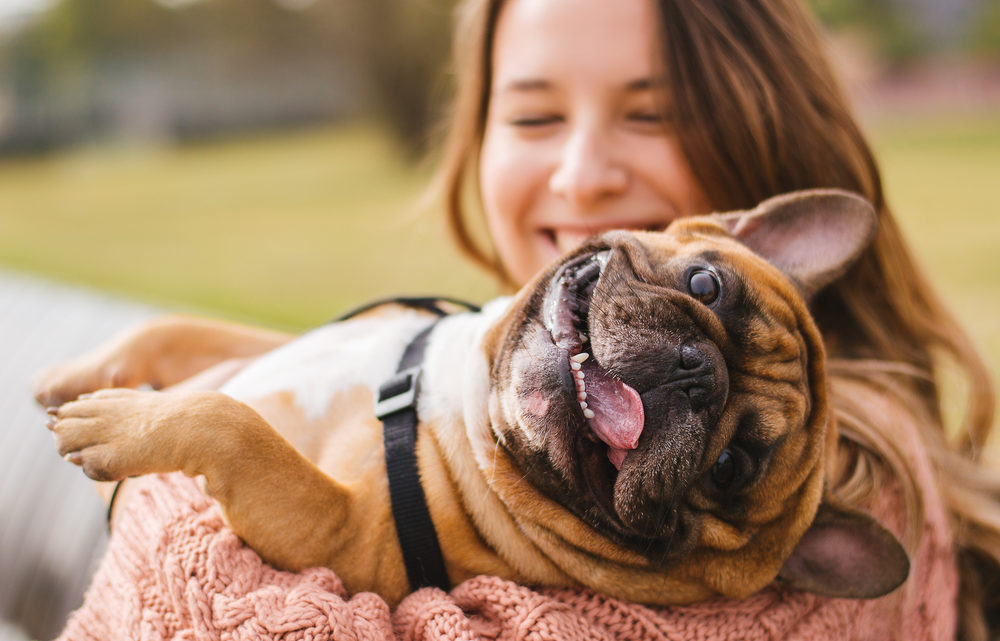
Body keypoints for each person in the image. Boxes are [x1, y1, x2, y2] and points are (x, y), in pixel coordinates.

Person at [36, 0, 999, 639]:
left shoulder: (854, 500)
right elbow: (336, 370)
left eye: (649, 115)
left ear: (765, 134)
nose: (582, 174)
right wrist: (181, 350)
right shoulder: (490, 360)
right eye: (535, 118)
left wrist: (156, 484)